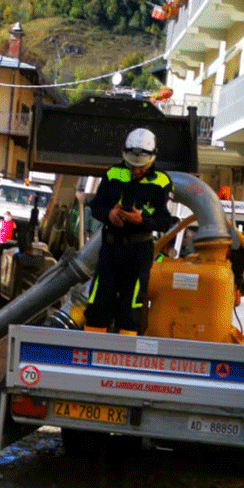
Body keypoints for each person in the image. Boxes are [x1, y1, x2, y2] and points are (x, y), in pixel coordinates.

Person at [85, 128, 175, 334]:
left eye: (141, 167)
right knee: (98, 303)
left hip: (139, 252)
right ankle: (90, 353)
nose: (136, 171)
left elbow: (164, 221)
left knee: (130, 308)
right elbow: (96, 206)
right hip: (110, 248)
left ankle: (124, 355)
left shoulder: (162, 181)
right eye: (131, 165)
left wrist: (141, 220)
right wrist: (109, 215)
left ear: (152, 159)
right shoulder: (112, 174)